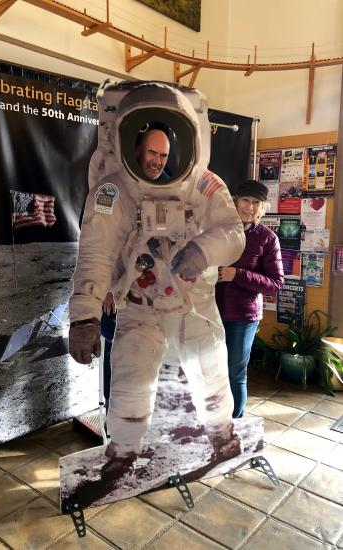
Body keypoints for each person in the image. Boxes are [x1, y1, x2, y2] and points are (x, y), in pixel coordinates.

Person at [69, 80, 245, 478]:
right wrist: (84, 317)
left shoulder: (203, 183)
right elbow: (96, 253)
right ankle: (122, 454)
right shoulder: (114, 190)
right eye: (150, 151)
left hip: (193, 303)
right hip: (139, 304)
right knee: (131, 379)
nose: (157, 160)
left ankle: (222, 437)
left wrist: (202, 252)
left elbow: (234, 234)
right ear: (132, 143)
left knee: (211, 374)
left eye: (163, 153)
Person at [216, 180, 284, 418]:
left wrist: (238, 274)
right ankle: (213, 426)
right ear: (235, 201)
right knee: (212, 371)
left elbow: (276, 283)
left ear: (262, 207)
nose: (250, 207)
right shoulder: (217, 230)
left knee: (235, 373)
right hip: (210, 313)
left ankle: (234, 426)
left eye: (256, 203)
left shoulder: (267, 238)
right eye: (246, 200)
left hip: (243, 318)